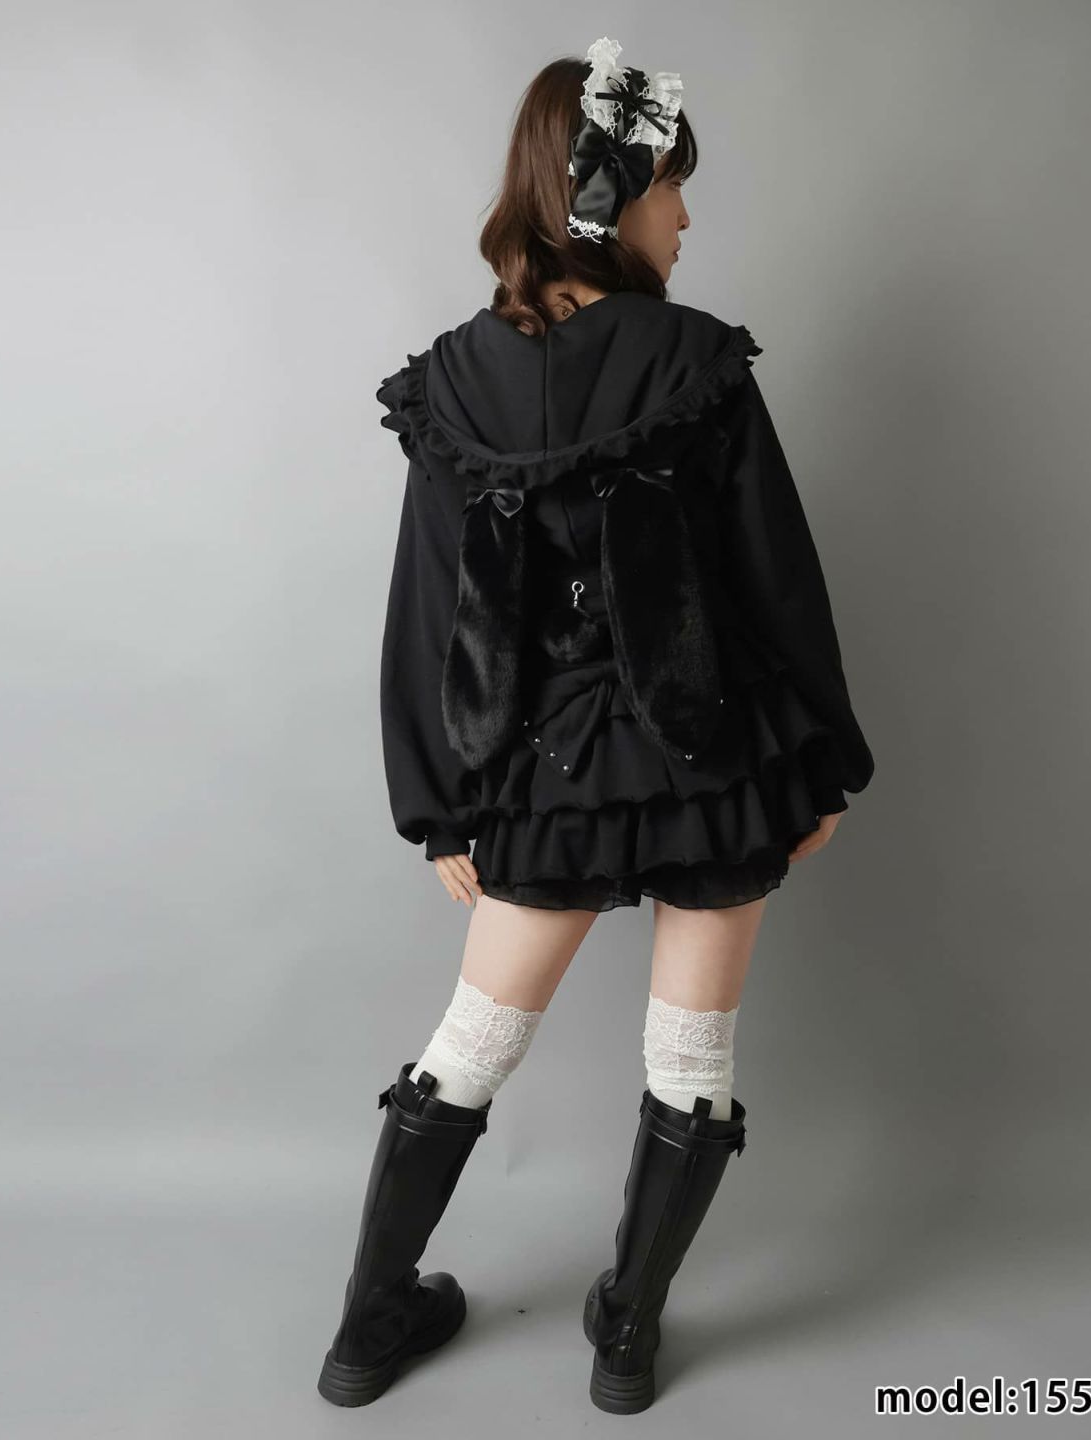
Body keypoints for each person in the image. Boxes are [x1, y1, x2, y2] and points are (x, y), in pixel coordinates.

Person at [317, 36, 875, 1416]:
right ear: (617, 194)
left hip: (540, 767)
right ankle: (626, 1336)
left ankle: (367, 1329)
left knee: (471, 1043)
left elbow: (429, 609)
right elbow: (775, 576)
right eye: (674, 187)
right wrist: (820, 760)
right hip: (716, 749)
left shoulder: (456, 378)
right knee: (693, 1057)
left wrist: (439, 803)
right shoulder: (696, 358)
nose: (687, 217)